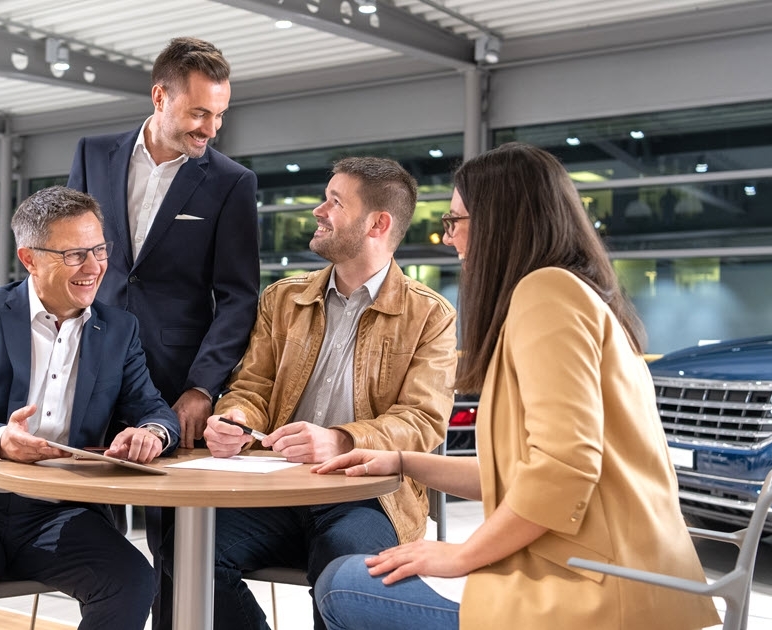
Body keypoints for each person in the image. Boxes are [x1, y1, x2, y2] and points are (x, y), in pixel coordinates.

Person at [312, 143, 721, 630]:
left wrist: (461, 554)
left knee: (341, 582)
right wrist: (403, 461)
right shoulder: (578, 293)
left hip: (600, 599)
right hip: (628, 585)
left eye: (455, 221)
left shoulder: (547, 293)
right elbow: (524, 472)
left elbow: (563, 470)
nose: (449, 237)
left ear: (499, 224)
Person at [0, 186, 180, 630]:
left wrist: (152, 433)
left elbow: (155, 410)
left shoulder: (119, 329)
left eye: (99, 250)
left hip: (60, 511)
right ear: (29, 259)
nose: (94, 267)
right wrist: (0, 441)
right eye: (75, 255)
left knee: (132, 580)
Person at [198, 157, 458, 630]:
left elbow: (421, 421)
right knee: (189, 549)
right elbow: (251, 387)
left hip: (367, 498)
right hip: (275, 490)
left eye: (335, 202)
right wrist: (235, 419)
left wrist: (341, 440)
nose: (318, 210)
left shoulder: (430, 316)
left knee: (346, 576)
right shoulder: (282, 299)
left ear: (377, 224)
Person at [67, 36, 259, 628]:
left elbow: (238, 297)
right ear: (159, 96)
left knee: (177, 544)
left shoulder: (230, 181)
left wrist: (202, 387)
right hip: (88, 368)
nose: (211, 129)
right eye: (200, 112)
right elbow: (67, 254)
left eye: (219, 115)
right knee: (87, 531)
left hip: (175, 385)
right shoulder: (93, 154)